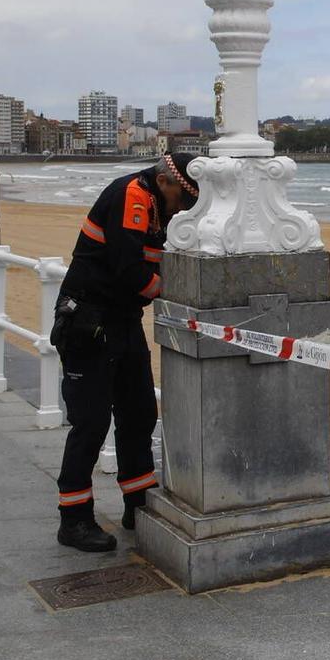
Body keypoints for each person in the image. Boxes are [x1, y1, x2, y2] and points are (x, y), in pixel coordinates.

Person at [50, 152, 200, 553]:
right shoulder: (132, 195)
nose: (182, 212)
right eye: (184, 202)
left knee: (138, 413)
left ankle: (138, 501)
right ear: (167, 182)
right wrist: (179, 291)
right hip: (88, 321)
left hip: (122, 320)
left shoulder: (156, 203)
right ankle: (74, 518)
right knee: (91, 422)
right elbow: (130, 269)